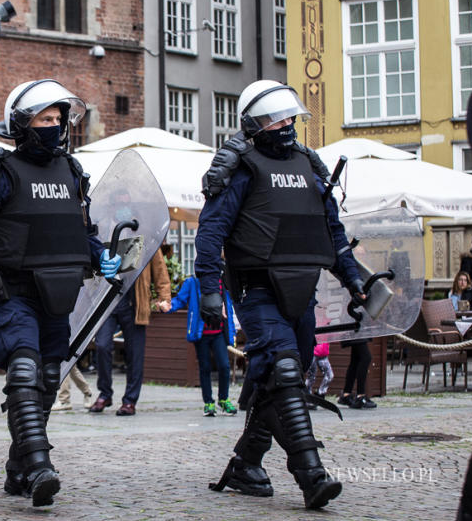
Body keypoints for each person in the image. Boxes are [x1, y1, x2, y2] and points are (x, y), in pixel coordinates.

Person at [0, 79, 116, 507]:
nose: (55, 126)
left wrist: (100, 255)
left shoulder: (72, 171)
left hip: (59, 297)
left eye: (59, 119)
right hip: (13, 293)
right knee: (24, 372)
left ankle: (16, 468)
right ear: (23, 123)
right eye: (45, 118)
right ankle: (40, 467)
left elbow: (81, 230)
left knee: (48, 380)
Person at [197, 80, 366, 509]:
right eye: (276, 118)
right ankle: (311, 474)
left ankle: (246, 463)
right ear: (256, 123)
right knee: (285, 368)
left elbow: (334, 232)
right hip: (256, 288)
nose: (286, 124)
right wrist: (209, 291)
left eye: (289, 116)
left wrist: (355, 280)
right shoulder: (241, 166)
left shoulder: (310, 165)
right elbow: (211, 231)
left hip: (302, 289)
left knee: (283, 375)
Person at [89, 250, 171, 416]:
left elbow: (160, 269)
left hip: (135, 302)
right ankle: (105, 393)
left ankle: (129, 400)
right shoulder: (110, 228)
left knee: (135, 353)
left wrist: (165, 298)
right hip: (109, 301)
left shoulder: (146, 233)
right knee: (102, 345)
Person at [168, 274, 237, 417]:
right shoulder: (192, 282)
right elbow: (180, 300)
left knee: (224, 366)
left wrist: (232, 329)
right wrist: (168, 306)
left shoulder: (222, 280)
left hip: (219, 332)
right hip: (201, 334)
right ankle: (208, 402)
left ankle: (223, 399)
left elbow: (230, 304)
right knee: (204, 368)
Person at [336, 339, 376, 409]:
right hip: (355, 331)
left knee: (355, 359)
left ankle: (346, 394)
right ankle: (360, 396)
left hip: (356, 332)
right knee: (365, 357)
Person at [305, 342, 334, 409]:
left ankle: (320, 394)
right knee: (311, 377)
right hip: (313, 352)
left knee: (329, 375)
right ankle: (308, 398)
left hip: (323, 353)